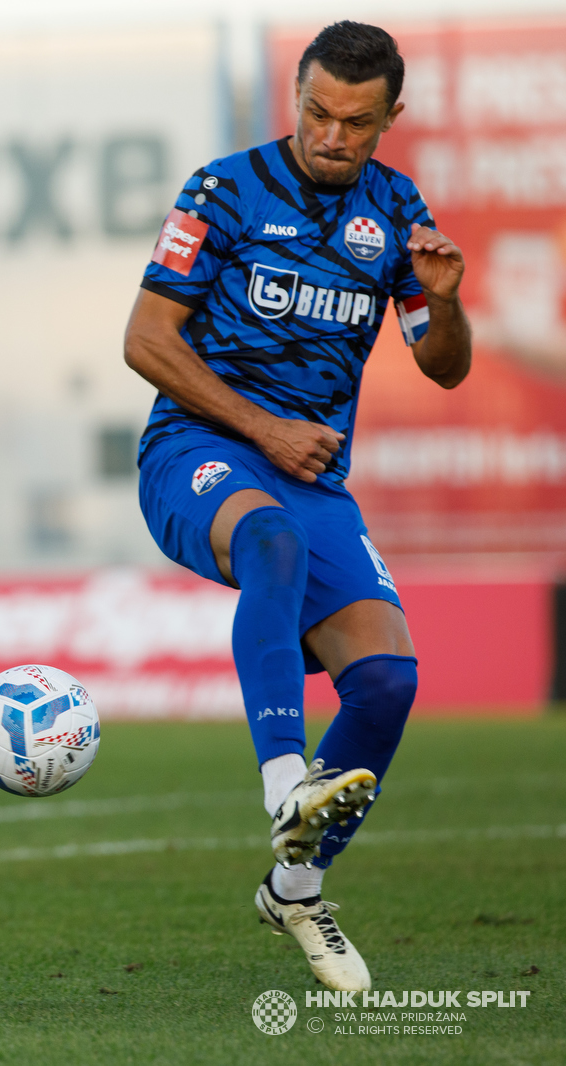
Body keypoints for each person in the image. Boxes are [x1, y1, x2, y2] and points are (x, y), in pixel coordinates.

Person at [124, 21, 469, 992]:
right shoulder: (222, 190)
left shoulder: (396, 209)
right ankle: (287, 782)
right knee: (268, 540)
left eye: (354, 122)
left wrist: (442, 302)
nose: (330, 134)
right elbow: (146, 338)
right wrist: (264, 428)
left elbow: (442, 368)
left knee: (388, 683)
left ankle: (294, 887)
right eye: (316, 111)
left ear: (387, 118)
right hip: (197, 447)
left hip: (310, 474)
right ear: (297, 100)